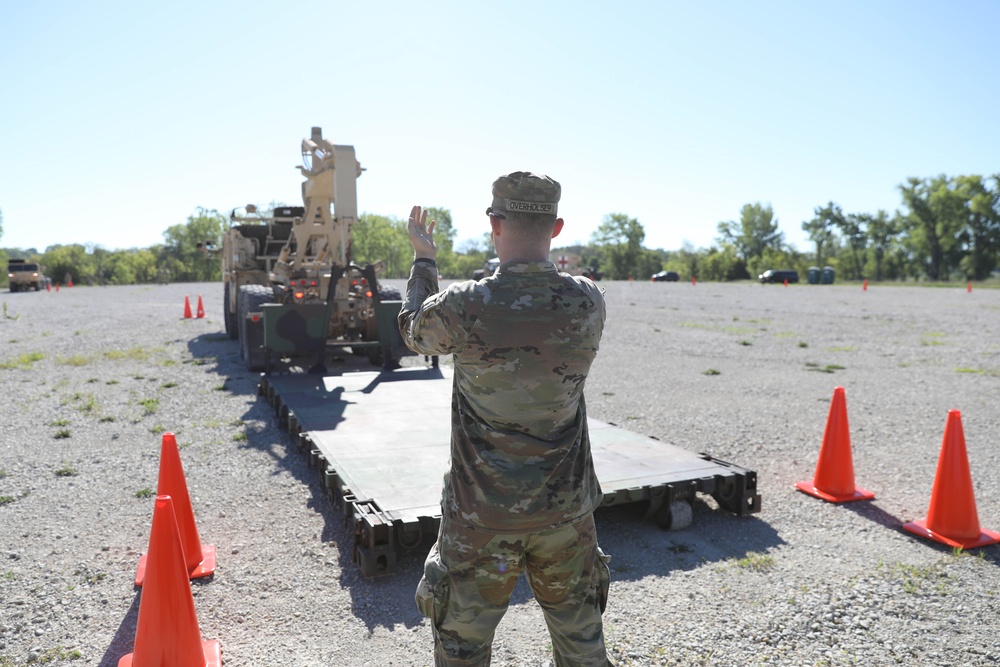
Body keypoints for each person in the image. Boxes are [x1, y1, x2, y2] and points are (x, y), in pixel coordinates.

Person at [398, 171, 613, 666]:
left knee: (462, 651)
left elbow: (413, 330)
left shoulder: (466, 305)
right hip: (566, 515)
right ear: (556, 228)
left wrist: (424, 261)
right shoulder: (587, 300)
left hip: (482, 519)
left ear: (493, 224)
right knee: (583, 649)